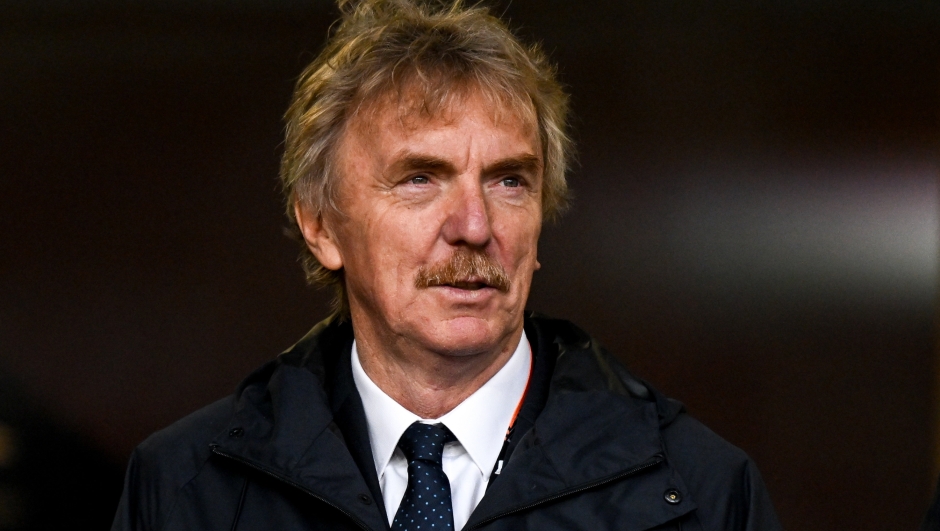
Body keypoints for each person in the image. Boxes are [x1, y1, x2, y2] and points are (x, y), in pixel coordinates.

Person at [111, 1, 782, 529]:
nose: (474, 226)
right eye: (419, 179)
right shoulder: (184, 489)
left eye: (509, 181)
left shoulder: (703, 492)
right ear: (320, 226)